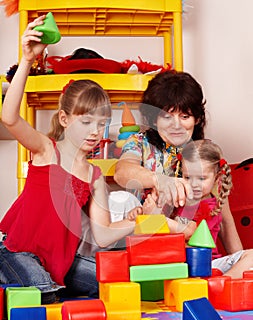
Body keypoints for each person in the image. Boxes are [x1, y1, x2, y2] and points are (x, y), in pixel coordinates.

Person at [0, 15, 141, 303]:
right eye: (86, 122)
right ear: (64, 119)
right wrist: (27, 61)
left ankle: (46, 285)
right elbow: (9, 117)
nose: (95, 132)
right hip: (15, 251)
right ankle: (28, 285)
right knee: (44, 292)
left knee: (113, 283)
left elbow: (102, 235)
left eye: (102, 124)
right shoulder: (46, 149)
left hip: (60, 262)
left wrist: (135, 221)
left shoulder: (94, 177)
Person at [114, 70, 243, 256]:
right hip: (144, 242)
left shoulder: (203, 154)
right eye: (167, 116)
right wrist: (160, 180)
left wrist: (239, 264)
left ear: (197, 119)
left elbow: (223, 218)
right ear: (154, 119)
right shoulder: (139, 142)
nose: (176, 125)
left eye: (185, 116)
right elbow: (122, 172)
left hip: (187, 251)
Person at [138, 139, 253, 278]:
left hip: (210, 264)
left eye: (202, 178)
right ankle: (220, 283)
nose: (194, 184)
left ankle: (223, 282)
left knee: (250, 256)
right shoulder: (185, 198)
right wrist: (150, 213)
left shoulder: (211, 201)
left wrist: (239, 261)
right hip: (185, 264)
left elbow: (232, 244)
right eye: (187, 177)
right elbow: (187, 231)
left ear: (217, 178)